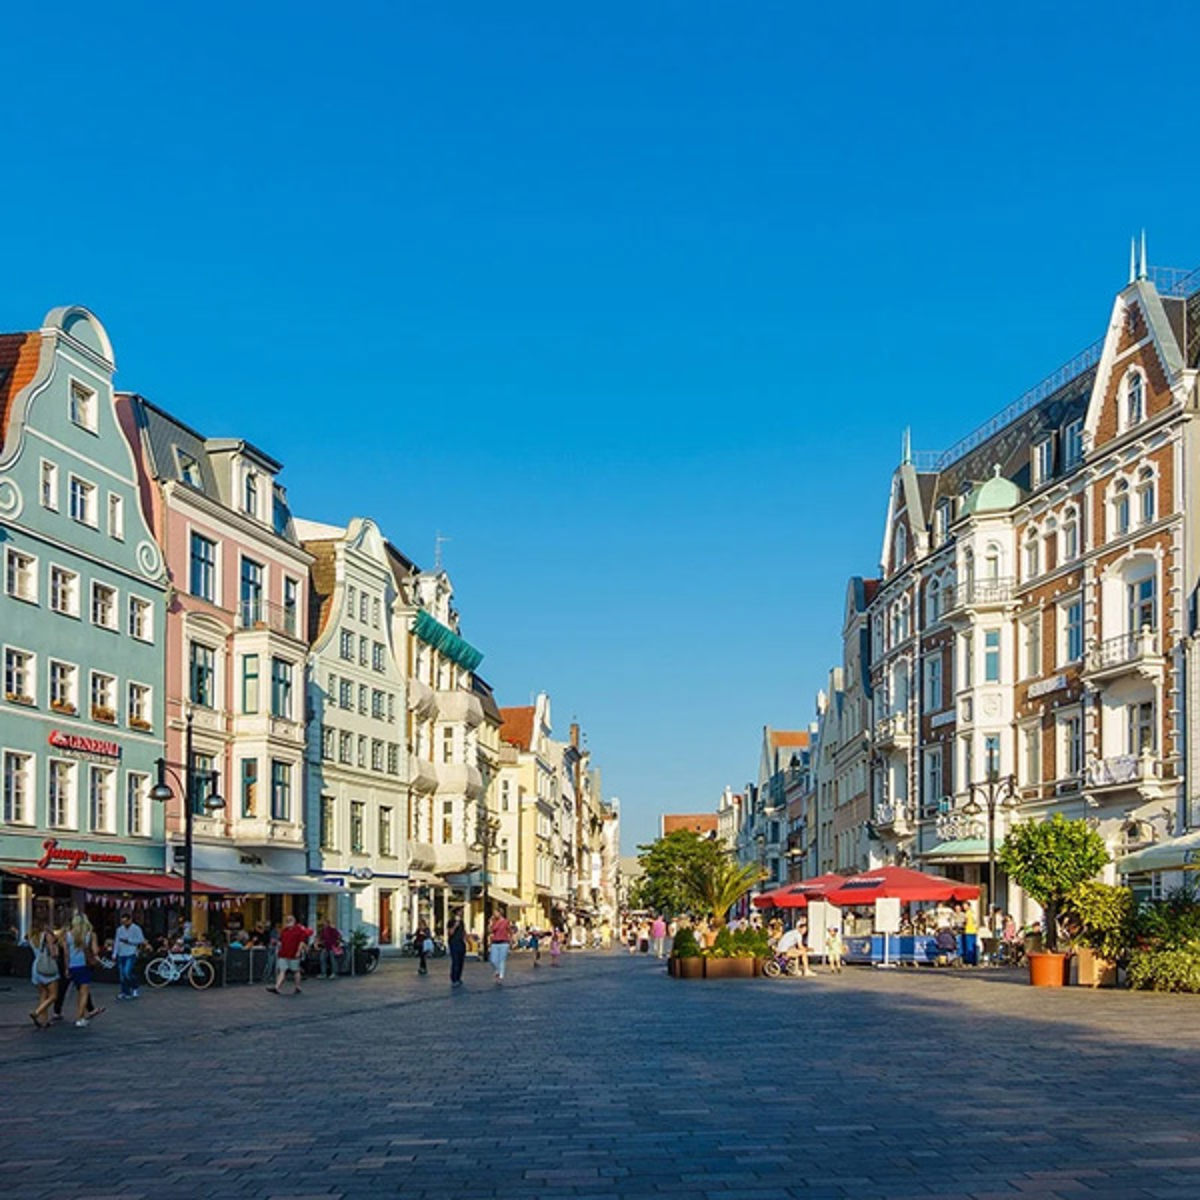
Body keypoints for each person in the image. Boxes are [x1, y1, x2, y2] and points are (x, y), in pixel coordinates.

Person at [63, 913, 100, 1027]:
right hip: (84, 965)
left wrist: (67, 968)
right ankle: (79, 1018)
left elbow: (66, 954)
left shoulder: (67, 935)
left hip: (73, 966)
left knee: (79, 991)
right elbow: (95, 951)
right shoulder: (90, 935)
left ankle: (81, 1015)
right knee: (83, 992)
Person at [267, 914, 312, 995]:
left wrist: (298, 951)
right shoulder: (284, 931)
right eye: (287, 920)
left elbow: (301, 941)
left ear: (294, 921)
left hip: (293, 954)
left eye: (290, 920)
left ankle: (297, 987)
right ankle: (277, 987)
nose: (288, 921)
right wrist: (276, 943)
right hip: (284, 953)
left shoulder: (299, 930)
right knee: (282, 970)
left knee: (295, 970)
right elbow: (281, 941)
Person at [29, 922, 59, 1029]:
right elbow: (53, 953)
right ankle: (37, 1012)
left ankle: (44, 1021)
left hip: (36, 967)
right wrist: (55, 948)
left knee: (43, 994)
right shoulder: (47, 935)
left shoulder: (32, 937)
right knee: (53, 995)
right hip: (47, 967)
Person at [112, 911, 146, 1000]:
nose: (124, 923)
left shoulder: (136, 928)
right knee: (122, 975)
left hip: (131, 953)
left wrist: (129, 940)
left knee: (127, 972)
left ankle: (134, 986)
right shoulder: (119, 929)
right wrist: (114, 953)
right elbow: (116, 942)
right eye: (123, 922)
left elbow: (141, 940)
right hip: (121, 953)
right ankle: (125, 992)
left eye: (126, 921)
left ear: (130, 920)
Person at [489, 912, 511, 982]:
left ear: (500, 913)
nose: (494, 914)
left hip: (504, 943)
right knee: (493, 960)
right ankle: (498, 970)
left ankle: (501, 976)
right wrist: (490, 923)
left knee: (502, 960)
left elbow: (509, 930)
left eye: (496, 913)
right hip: (495, 943)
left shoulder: (506, 922)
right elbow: (490, 931)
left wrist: (510, 939)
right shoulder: (494, 921)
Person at [447, 909, 466, 988]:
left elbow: (463, 932)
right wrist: (455, 925)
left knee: (461, 961)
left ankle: (458, 977)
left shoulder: (462, 922)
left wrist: (467, 939)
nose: (461, 913)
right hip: (453, 943)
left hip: (461, 942)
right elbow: (450, 933)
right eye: (460, 911)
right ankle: (454, 979)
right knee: (455, 961)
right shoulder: (451, 922)